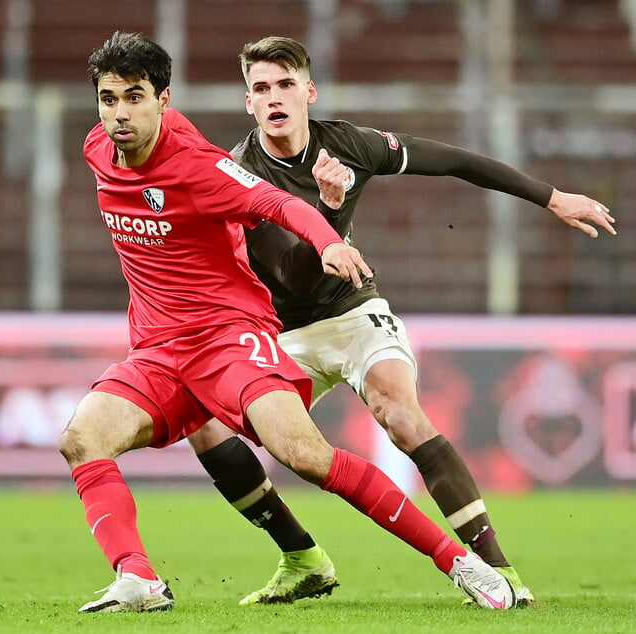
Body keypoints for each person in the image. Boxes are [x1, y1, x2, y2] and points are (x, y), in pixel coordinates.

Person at [59, 30, 518, 614]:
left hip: (230, 339)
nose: (120, 114)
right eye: (109, 98)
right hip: (157, 351)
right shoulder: (97, 148)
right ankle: (140, 579)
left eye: (135, 97)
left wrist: (328, 240)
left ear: (163, 99)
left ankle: (460, 561)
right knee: (81, 439)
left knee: (305, 456)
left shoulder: (200, 168)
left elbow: (282, 204)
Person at [187, 35, 618, 607]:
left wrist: (551, 197)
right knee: (204, 425)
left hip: (352, 312)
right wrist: (331, 209)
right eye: (261, 88)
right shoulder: (237, 175)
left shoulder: (349, 146)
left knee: (400, 414)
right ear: (248, 102)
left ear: (309, 91)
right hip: (280, 330)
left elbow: (456, 162)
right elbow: (293, 277)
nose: (275, 98)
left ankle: (499, 572)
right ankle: (302, 558)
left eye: (286, 84)